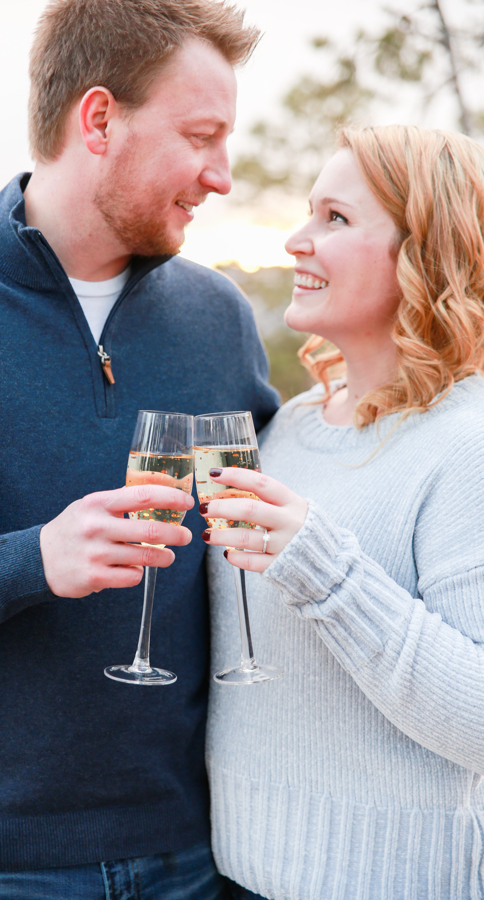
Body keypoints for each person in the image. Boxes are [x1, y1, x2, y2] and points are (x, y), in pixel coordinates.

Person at [0, 1, 280, 897]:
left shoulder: (220, 319)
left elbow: (267, 539)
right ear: (98, 118)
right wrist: (29, 562)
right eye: (201, 136)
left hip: (199, 856)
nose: (222, 175)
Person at [201, 124, 484, 899]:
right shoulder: (284, 429)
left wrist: (328, 574)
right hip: (232, 877)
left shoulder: (467, 445)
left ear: (423, 252)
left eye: (336, 219)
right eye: (308, 213)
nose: (297, 240)